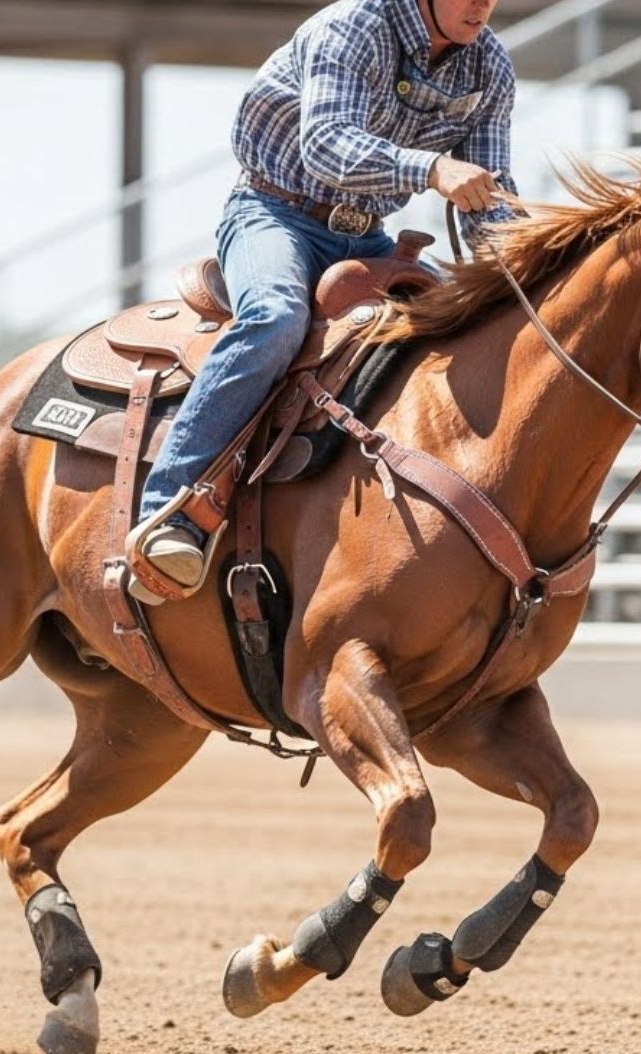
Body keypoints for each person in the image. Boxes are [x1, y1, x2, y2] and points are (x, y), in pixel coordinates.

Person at [127, 0, 520, 604]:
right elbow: (327, 145)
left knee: (464, 331)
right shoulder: (354, 24)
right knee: (275, 318)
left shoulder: (488, 63)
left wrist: (521, 271)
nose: (481, 5)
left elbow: (492, 193)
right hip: (271, 213)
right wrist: (434, 168)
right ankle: (170, 512)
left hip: (365, 235)